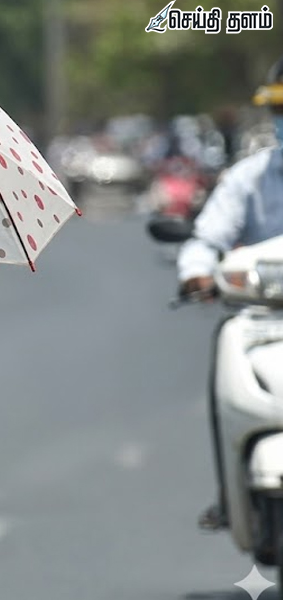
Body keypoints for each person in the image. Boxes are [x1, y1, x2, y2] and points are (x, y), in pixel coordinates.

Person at [177, 55, 283, 531]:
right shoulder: (250, 176)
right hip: (263, 315)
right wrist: (196, 273)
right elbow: (207, 238)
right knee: (223, 372)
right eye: (280, 112)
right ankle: (230, 491)